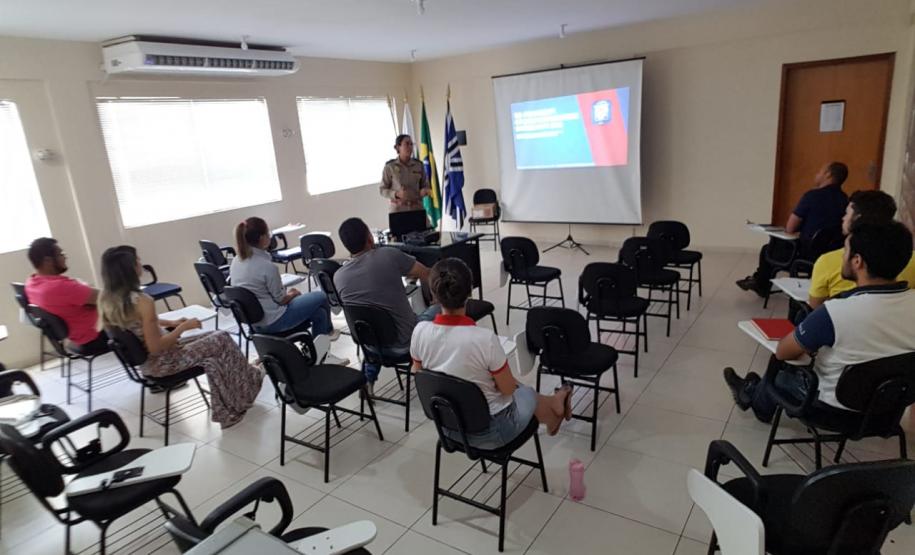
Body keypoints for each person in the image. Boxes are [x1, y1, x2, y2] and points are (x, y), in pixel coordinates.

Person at [724, 221, 915, 421]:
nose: (842, 256)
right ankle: (752, 389)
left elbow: (784, 351)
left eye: (845, 250)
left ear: (857, 261)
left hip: (831, 408)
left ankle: (754, 398)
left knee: (780, 370)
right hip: (890, 408)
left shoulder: (836, 311)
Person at [411, 258, 572, 448]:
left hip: (448, 428)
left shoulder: (420, 331)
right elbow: (508, 390)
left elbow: (419, 373)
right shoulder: (484, 339)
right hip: (492, 432)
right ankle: (553, 408)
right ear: (470, 291)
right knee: (523, 391)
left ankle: (554, 404)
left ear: (433, 294)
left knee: (504, 381)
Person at [98, 245, 263, 428]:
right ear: (128, 268)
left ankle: (241, 387)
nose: (140, 263)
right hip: (165, 361)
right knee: (221, 338)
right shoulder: (143, 301)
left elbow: (139, 324)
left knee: (216, 339)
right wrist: (183, 327)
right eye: (137, 260)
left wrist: (171, 323)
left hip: (148, 366)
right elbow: (156, 346)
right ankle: (249, 382)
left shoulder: (107, 299)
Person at [334, 217, 439, 387]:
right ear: (369, 237)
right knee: (441, 308)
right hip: (407, 343)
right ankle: (443, 373)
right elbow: (427, 273)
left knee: (371, 324)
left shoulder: (339, 277)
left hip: (370, 348)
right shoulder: (388, 255)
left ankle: (368, 380)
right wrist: (435, 300)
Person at [229, 217, 348, 365]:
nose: (270, 237)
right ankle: (326, 341)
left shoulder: (236, 261)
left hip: (254, 323)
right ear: (261, 238)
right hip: (275, 320)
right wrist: (292, 294)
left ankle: (319, 354)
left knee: (320, 314)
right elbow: (280, 299)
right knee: (322, 297)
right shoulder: (266, 266)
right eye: (268, 233)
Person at [737, 162, 849, 296]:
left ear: (828, 175)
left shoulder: (812, 196)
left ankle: (761, 285)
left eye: (820, 171)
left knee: (768, 249)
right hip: (831, 254)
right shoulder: (845, 200)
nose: (816, 174)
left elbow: (790, 228)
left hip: (805, 254)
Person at [808, 189, 915, 308]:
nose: (843, 218)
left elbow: (815, 305)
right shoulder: (910, 257)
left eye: (847, 213)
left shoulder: (827, 261)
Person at [24, 238, 108, 354]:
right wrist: (85, 292)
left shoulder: (32, 283)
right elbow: (107, 297)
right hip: (96, 336)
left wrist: (86, 297)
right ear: (47, 261)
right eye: (60, 254)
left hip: (73, 337)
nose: (65, 257)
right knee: (137, 312)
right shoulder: (60, 287)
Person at [380, 134, 430, 213]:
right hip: (398, 210)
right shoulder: (390, 167)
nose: (410, 147)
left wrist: (424, 191)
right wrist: (396, 194)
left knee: (427, 225)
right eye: (407, 144)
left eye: (411, 144)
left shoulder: (419, 165)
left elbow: (426, 185)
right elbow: (382, 190)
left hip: (416, 208)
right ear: (398, 147)